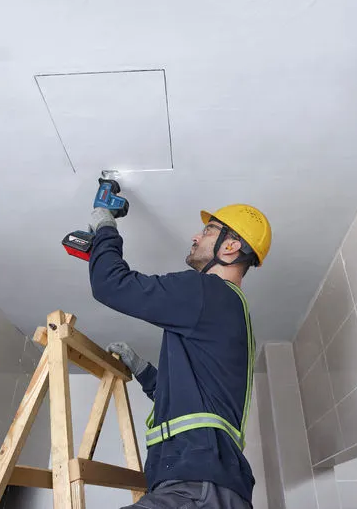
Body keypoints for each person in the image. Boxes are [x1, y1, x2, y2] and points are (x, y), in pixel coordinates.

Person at [87, 203, 272, 509]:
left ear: (230, 246)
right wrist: (145, 372)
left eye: (208, 230)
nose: (196, 236)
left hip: (198, 488)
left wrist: (105, 230)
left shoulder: (205, 291)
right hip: (210, 486)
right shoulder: (229, 310)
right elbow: (197, 400)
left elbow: (110, 285)